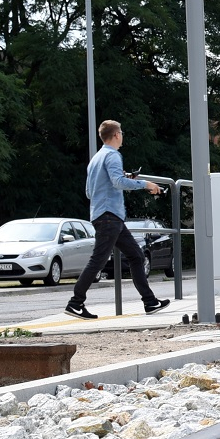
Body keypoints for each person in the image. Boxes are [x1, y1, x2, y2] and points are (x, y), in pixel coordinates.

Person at [66, 119, 171, 319]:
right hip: (109, 217)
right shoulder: (113, 155)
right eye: (121, 132)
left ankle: (150, 302)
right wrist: (146, 184)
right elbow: (117, 182)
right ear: (116, 135)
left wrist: (123, 179)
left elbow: (89, 192)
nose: (122, 135)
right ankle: (75, 303)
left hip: (107, 217)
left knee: (136, 256)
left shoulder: (96, 159)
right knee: (98, 260)